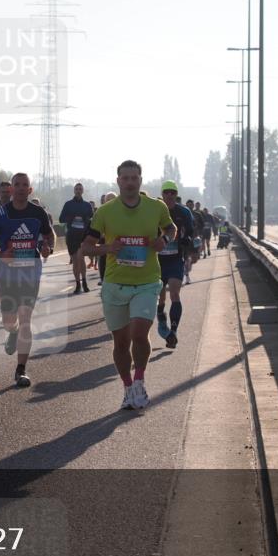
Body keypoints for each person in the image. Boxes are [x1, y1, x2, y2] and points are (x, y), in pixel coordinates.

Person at [81, 161, 175, 411]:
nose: (130, 182)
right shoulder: (105, 211)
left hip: (146, 282)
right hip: (115, 284)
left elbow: (171, 228)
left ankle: (139, 380)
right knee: (121, 343)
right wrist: (106, 248)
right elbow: (86, 247)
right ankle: (126, 388)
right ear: (118, 180)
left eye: (135, 178)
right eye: (126, 178)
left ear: (141, 180)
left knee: (138, 334)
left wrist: (163, 239)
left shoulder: (156, 207)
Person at [0, 173, 55, 388]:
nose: (21, 188)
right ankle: (11, 333)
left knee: (25, 319)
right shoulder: (0, 214)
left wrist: (47, 247)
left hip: (31, 272)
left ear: (30, 190)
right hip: (8, 274)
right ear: (11, 189)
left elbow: (50, 236)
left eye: (25, 185)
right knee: (8, 321)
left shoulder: (38, 212)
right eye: (17, 185)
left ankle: (21, 370)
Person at [157, 183, 194, 350]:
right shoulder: (155, 209)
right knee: (160, 297)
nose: (170, 195)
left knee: (174, 294)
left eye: (173, 193)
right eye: (167, 192)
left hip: (175, 260)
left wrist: (189, 245)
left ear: (176, 194)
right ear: (162, 194)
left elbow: (191, 231)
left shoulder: (183, 212)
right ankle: (160, 315)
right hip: (156, 261)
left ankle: (173, 331)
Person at [59, 183, 95, 294]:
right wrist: (71, 218)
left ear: (83, 191)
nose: (78, 191)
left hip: (83, 235)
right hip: (72, 235)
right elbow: (61, 219)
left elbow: (92, 219)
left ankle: (84, 281)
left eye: (80, 189)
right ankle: (78, 283)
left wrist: (85, 220)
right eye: (76, 189)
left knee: (81, 258)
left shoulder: (87, 205)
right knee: (75, 260)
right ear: (74, 191)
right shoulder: (68, 204)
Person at [97, 191, 116, 286]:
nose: (110, 201)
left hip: (117, 242)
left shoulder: (121, 211)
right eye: (108, 200)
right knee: (103, 258)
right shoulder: (102, 212)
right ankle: (103, 278)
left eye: (112, 199)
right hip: (105, 241)